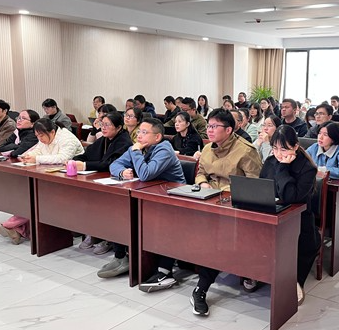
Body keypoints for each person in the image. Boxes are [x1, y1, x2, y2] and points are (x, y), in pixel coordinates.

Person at [190, 108, 262, 316]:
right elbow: (200, 173)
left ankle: (201, 287)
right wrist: (203, 184)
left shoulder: (246, 150)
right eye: (208, 126)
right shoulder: (207, 148)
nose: (209, 130)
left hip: (235, 204)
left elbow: (255, 184)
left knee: (218, 239)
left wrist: (224, 192)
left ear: (229, 129)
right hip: (207, 199)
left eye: (215, 126)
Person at [102, 118, 186, 279]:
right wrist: (122, 172)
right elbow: (114, 165)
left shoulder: (164, 150)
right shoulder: (139, 147)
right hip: (148, 195)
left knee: (141, 218)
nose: (139, 136)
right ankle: (121, 257)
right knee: (118, 210)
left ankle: (160, 267)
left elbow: (146, 174)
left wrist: (135, 152)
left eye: (144, 132)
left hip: (171, 199)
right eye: (139, 131)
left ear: (157, 137)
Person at [0, 118, 84, 245]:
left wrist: (37, 159)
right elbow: (38, 150)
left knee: (37, 199)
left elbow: (63, 158)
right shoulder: (45, 136)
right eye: (37, 136)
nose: (39, 138)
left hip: (70, 181)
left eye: (41, 135)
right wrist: (28, 156)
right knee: (30, 195)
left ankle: (9, 225)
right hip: (50, 176)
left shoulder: (67, 139)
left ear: (52, 132)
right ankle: (17, 230)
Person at [259, 125, 321, 305]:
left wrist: (283, 168)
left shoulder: (307, 167)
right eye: (275, 148)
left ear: (295, 146)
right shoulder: (270, 161)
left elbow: (291, 197)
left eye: (284, 149)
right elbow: (262, 186)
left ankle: (296, 281)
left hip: (299, 218)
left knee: (304, 246)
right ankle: (257, 273)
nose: (278, 154)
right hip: (272, 212)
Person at [70, 111, 133, 252]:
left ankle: (109, 238)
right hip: (98, 180)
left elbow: (110, 164)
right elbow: (87, 154)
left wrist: (84, 165)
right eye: (102, 124)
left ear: (118, 127)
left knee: (104, 206)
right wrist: (75, 160)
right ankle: (94, 233)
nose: (103, 128)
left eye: (107, 125)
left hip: (118, 183)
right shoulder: (104, 139)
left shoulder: (124, 142)